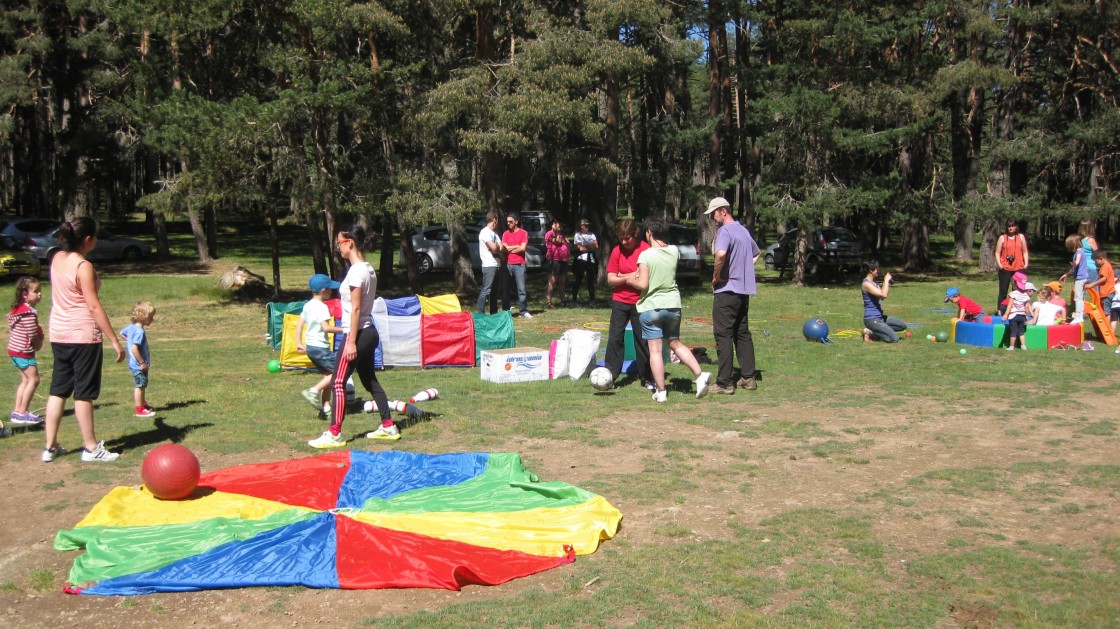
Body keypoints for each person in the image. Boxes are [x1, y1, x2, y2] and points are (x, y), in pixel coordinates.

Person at [42, 217, 124, 463]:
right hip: (82, 337)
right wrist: (113, 340)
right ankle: (91, 448)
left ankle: (50, 447)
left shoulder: (56, 257)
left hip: (59, 334)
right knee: (84, 393)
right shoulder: (84, 266)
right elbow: (93, 305)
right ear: (88, 240)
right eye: (96, 236)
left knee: (58, 390)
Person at [308, 225, 397, 448]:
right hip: (368, 333)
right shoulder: (367, 269)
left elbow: (356, 309)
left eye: (339, 243)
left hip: (358, 333)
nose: (338, 248)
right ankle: (388, 425)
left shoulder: (357, 272)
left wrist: (350, 342)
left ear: (350, 243)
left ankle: (334, 433)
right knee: (369, 380)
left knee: (338, 381)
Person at [627, 217, 710, 402]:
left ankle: (662, 392)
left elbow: (643, 284)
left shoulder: (646, 255)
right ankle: (699, 375)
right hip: (673, 305)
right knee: (675, 343)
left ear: (649, 233)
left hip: (651, 307)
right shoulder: (673, 251)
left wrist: (629, 279)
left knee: (655, 350)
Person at [704, 197, 761, 395]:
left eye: (713, 213)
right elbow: (756, 253)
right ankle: (748, 377)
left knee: (724, 334)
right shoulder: (743, 231)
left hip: (727, 290)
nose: (712, 218)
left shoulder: (725, 231)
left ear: (723, 211)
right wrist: (744, 269)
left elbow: (720, 255)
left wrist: (717, 276)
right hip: (742, 291)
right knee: (742, 332)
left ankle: (725, 382)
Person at [603, 219, 651, 388]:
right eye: (621, 238)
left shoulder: (645, 249)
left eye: (627, 239)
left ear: (635, 235)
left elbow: (648, 276)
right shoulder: (617, 251)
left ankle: (646, 376)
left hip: (641, 301)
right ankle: (611, 375)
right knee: (615, 338)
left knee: (643, 339)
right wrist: (629, 277)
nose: (624, 242)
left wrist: (621, 277)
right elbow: (610, 279)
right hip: (620, 301)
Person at [296, 274, 345, 412]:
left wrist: (299, 342)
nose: (332, 291)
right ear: (324, 290)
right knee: (338, 373)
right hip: (320, 348)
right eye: (331, 289)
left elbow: (299, 325)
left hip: (310, 347)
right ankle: (314, 390)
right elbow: (326, 328)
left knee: (328, 376)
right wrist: (346, 329)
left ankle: (326, 407)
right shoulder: (322, 307)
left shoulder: (308, 305)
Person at [7, 276, 45, 426]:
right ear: (24, 294)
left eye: (40, 291)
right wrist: (40, 341)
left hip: (14, 350)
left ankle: (17, 411)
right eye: (36, 291)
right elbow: (33, 336)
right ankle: (22, 413)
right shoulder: (28, 314)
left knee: (25, 380)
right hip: (23, 352)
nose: (40, 294)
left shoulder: (19, 310)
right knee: (34, 380)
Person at [120, 300, 157, 418]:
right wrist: (142, 362)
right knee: (139, 386)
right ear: (143, 317)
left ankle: (143, 403)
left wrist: (128, 340)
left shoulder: (131, 328)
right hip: (138, 365)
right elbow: (135, 349)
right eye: (151, 317)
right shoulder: (139, 331)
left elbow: (121, 333)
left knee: (143, 384)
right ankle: (139, 409)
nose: (152, 319)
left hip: (136, 364)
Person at [861, 260, 908, 342]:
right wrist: (886, 280)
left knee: (902, 326)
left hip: (880, 318)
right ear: (871, 270)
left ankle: (877, 331)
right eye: (877, 269)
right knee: (894, 339)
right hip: (872, 319)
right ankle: (871, 333)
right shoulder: (866, 284)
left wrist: (888, 283)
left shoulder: (874, 283)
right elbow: (883, 295)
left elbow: (882, 296)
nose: (878, 271)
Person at [994, 219, 1029, 315]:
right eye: (1009, 226)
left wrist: (1025, 264)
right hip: (1005, 268)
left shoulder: (1021, 237)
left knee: (1018, 291)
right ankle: (1000, 311)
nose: (1011, 228)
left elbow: (1025, 251)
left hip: (1019, 268)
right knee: (1003, 291)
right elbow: (997, 253)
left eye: (1013, 226)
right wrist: (1000, 265)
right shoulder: (1002, 238)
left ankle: (1016, 311)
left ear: (1016, 227)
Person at [502, 212, 532, 318]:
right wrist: (516, 247)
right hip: (507, 264)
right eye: (507, 222)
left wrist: (509, 249)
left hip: (520, 265)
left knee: (521, 289)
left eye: (511, 221)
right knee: (506, 289)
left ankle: (523, 311)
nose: (508, 223)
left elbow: (523, 248)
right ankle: (506, 311)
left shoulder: (523, 233)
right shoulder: (505, 234)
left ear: (516, 222)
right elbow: (503, 249)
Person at [477, 212, 504, 314]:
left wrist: (495, 247)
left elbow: (500, 247)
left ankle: (493, 312)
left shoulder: (495, 234)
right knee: (486, 290)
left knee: (494, 292)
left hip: (496, 265)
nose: (497, 223)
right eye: (497, 221)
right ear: (494, 220)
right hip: (489, 265)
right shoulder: (485, 232)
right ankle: (480, 313)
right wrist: (495, 247)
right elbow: (494, 247)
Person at [1059, 234, 1089, 324]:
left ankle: (1079, 315)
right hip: (1084, 278)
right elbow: (1075, 268)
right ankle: (1080, 314)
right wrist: (1066, 274)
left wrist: (1075, 263)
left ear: (1074, 244)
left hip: (1080, 278)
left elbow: (1077, 262)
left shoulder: (1079, 252)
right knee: (1081, 297)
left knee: (1078, 297)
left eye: (1069, 245)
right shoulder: (1079, 252)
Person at [571, 219, 599, 305]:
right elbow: (580, 248)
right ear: (581, 226)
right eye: (586, 225)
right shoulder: (577, 235)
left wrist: (587, 247)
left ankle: (592, 299)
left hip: (591, 259)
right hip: (581, 259)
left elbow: (596, 246)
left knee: (590, 279)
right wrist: (590, 246)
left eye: (588, 225)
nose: (587, 227)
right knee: (578, 278)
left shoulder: (592, 234)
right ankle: (574, 299)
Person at [1087, 250, 1116, 332]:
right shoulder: (1106, 266)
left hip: (1107, 293)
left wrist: (1093, 284)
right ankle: (1107, 329)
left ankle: (1106, 329)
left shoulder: (1105, 266)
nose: (1096, 263)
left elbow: (1104, 278)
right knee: (1106, 311)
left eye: (1096, 261)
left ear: (1101, 259)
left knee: (1107, 312)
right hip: (1106, 293)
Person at [544, 219, 570, 309]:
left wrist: (564, 241)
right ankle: (549, 302)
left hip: (563, 260)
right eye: (557, 224)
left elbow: (568, 244)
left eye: (560, 225)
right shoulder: (549, 234)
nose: (559, 226)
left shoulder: (562, 234)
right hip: (554, 260)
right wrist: (562, 239)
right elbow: (558, 241)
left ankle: (563, 300)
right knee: (552, 281)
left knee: (562, 281)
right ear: (552, 225)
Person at [1005, 276, 1033, 350]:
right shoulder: (1026, 295)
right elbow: (1026, 307)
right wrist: (1026, 316)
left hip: (1014, 315)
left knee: (1013, 331)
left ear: (1015, 284)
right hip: (1022, 316)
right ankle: (1023, 346)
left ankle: (1011, 346)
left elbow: (1010, 305)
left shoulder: (1013, 294)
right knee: (1021, 331)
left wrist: (1006, 314)